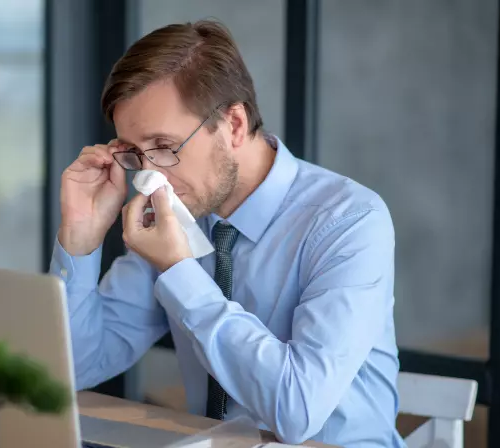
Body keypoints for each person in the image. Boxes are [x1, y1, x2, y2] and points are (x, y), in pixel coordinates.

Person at [49, 20, 404, 448]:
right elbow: (77, 366)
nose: (148, 175)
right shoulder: (174, 215)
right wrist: (80, 237)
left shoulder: (350, 221)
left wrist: (179, 270)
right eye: (135, 153)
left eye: (164, 147)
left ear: (234, 125)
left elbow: (298, 412)